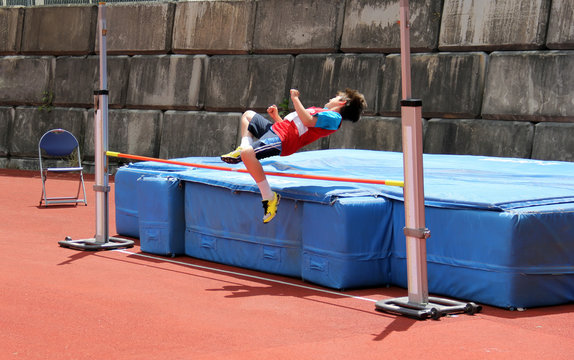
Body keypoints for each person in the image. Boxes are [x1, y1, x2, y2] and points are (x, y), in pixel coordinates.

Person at [221, 88, 366, 223]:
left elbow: (307, 121)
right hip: (278, 130)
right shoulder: (321, 111)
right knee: (248, 115)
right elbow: (295, 126)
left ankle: (269, 197)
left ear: (342, 102)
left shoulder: (334, 118)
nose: (330, 98)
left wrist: (295, 99)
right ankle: (243, 147)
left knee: (248, 154)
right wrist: (277, 117)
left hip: (283, 139)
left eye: (335, 97)